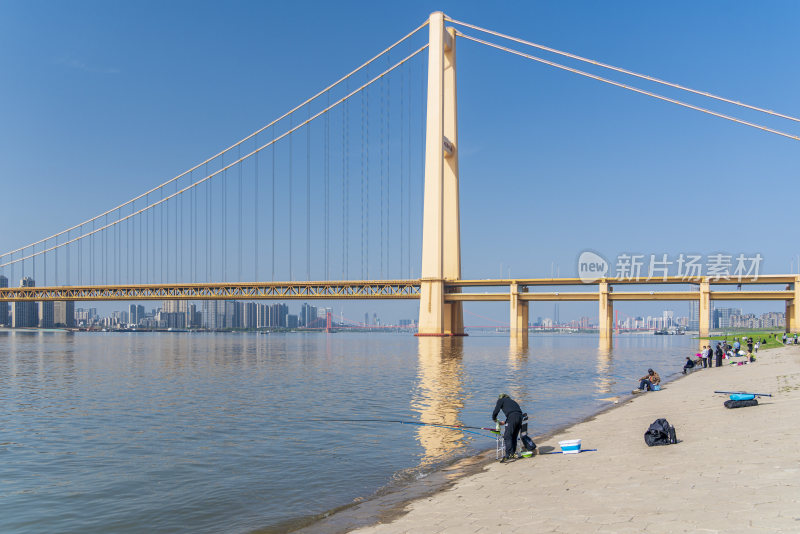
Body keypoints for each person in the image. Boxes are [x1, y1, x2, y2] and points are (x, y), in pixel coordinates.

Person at [492, 393, 524, 462]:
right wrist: (506, 422)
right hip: (520, 417)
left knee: (507, 436)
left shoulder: (501, 400)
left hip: (512, 417)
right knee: (514, 436)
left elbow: (496, 411)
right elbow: (515, 412)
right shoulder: (513, 401)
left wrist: (494, 418)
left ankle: (507, 455)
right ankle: (512, 453)